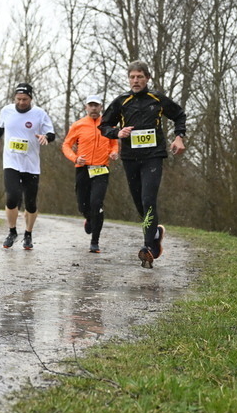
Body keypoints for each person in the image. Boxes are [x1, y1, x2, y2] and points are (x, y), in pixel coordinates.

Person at [99, 60, 186, 268]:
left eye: (139, 76)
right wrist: (117, 133)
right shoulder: (121, 101)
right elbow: (104, 125)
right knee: (139, 201)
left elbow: (179, 114)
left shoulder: (157, 99)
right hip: (130, 158)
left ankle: (148, 247)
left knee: (148, 198)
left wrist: (179, 137)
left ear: (147, 78)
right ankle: (156, 232)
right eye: (132, 77)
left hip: (153, 156)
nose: (135, 80)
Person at [0, 83, 56, 250]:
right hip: (11, 161)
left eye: (25, 99)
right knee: (12, 197)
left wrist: (45, 137)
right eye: (18, 99)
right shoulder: (7, 110)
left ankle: (28, 233)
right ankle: (12, 231)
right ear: (14, 98)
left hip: (31, 165)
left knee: (31, 203)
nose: (21, 102)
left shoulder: (39, 114)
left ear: (31, 98)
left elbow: (51, 134)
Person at [62, 94, 119, 253]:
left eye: (97, 105)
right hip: (83, 169)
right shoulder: (78, 125)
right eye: (91, 105)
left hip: (101, 169)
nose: (94, 108)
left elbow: (114, 144)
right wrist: (75, 158)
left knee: (97, 203)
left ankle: (95, 241)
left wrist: (114, 153)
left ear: (101, 107)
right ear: (86, 107)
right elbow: (66, 145)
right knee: (83, 205)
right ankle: (88, 218)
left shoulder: (108, 125)